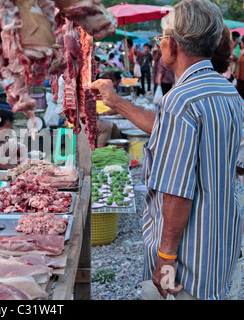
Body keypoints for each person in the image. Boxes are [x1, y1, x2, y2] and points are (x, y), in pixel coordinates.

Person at [90, 0, 243, 300]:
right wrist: (117, 102)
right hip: (220, 245)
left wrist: (165, 258)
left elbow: (177, 193)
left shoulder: (180, 101)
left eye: (161, 39)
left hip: (189, 259)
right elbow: (167, 130)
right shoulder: (227, 91)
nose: (159, 45)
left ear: (173, 44)